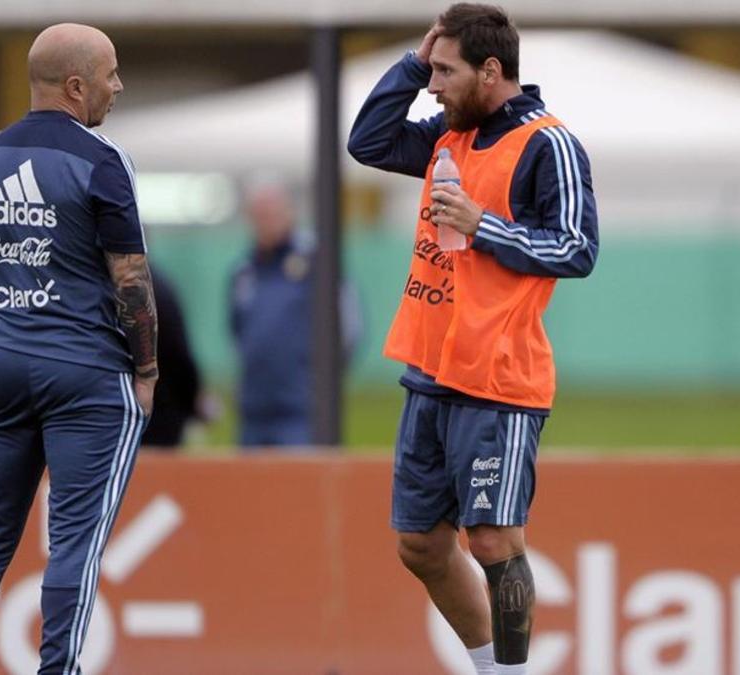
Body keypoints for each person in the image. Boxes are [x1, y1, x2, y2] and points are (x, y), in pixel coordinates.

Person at [347, 5, 598, 674]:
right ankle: (492, 666)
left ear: (492, 71)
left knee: (492, 539)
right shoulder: (448, 135)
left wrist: (483, 225)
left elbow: (576, 247)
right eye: (429, 70)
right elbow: (367, 143)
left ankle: (512, 672)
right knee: (420, 544)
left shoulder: (549, 143)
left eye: (444, 71)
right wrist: (411, 60)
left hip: (498, 376)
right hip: (431, 370)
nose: (432, 85)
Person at [0, 23, 157, 674]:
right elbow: (130, 277)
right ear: (76, 85)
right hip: (87, 376)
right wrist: (146, 368)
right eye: (111, 74)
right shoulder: (102, 160)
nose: (118, 86)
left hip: (4, 370)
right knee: (75, 546)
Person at [227, 177, 362, 448]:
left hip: (302, 413)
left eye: (272, 213)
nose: (266, 221)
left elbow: (350, 329)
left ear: (290, 212)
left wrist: (320, 385)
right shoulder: (244, 272)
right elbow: (238, 330)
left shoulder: (317, 263)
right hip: (254, 413)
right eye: (260, 215)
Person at [143, 265, 211, 448]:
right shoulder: (155, 288)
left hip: (150, 411)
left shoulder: (155, 288)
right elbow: (178, 354)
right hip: (158, 414)